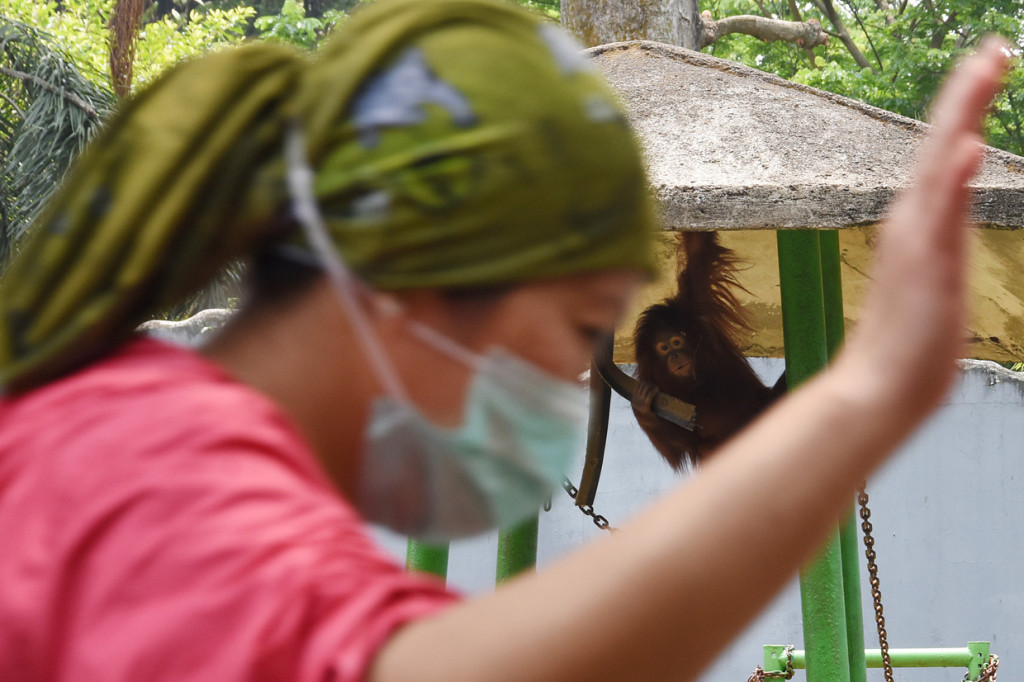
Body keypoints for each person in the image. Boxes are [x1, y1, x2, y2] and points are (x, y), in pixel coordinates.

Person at [0, 0, 1009, 678]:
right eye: (576, 328)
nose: (567, 379)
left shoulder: (127, 433)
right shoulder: (161, 477)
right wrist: (867, 392)